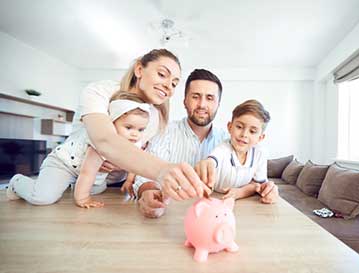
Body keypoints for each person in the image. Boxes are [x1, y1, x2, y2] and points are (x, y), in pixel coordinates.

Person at [6, 49, 209, 205]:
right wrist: (162, 170)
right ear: (139, 69)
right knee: (44, 197)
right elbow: (104, 141)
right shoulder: (100, 92)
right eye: (162, 75)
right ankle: (17, 182)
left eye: (174, 83)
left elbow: (139, 153)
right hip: (71, 163)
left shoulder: (156, 117)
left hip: (101, 180)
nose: (168, 86)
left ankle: (75, 187)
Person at [7, 91, 151, 207]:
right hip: (64, 163)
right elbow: (87, 172)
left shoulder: (134, 141)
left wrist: (129, 180)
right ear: (111, 123)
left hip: (86, 171)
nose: (135, 134)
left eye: (141, 129)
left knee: (97, 189)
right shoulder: (100, 141)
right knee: (42, 198)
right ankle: (17, 182)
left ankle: (72, 185)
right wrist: (82, 199)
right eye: (128, 127)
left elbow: (134, 163)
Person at [127, 69, 228, 217]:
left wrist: (263, 187)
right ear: (185, 101)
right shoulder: (164, 131)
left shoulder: (228, 141)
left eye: (210, 98)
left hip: (214, 218)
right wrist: (148, 191)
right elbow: (146, 175)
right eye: (195, 97)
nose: (202, 104)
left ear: (218, 104)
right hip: (169, 217)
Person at [195, 99, 279, 204]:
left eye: (252, 131)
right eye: (239, 127)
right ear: (230, 127)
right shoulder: (223, 149)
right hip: (215, 198)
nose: (244, 134)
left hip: (241, 201)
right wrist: (207, 163)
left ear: (260, 138)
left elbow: (257, 185)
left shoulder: (260, 153)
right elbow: (212, 160)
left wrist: (239, 192)